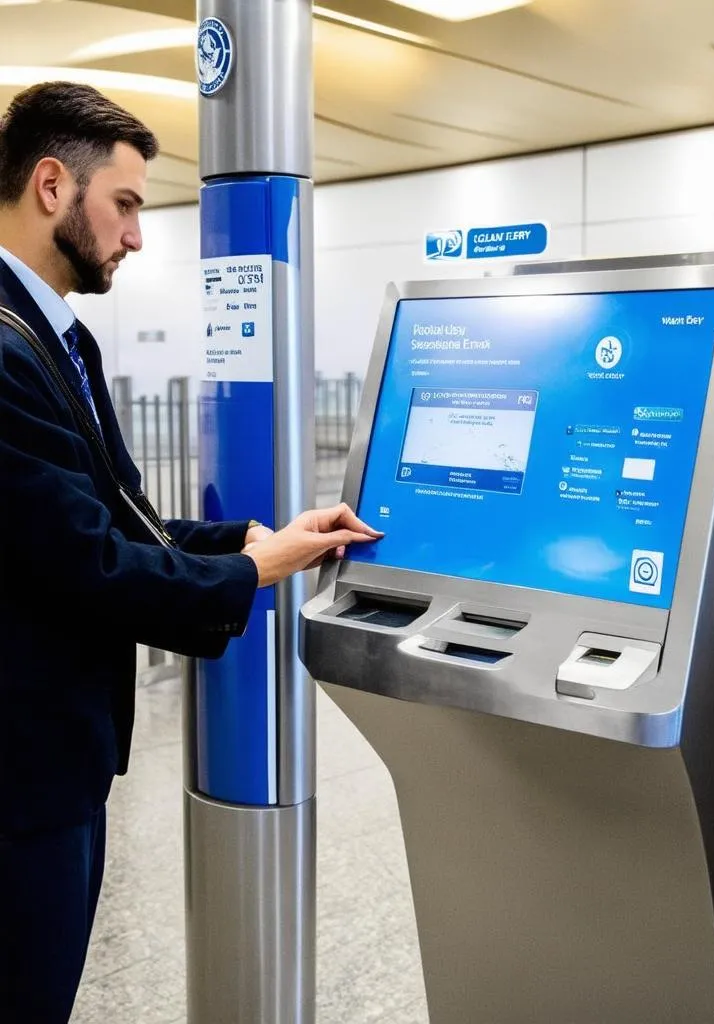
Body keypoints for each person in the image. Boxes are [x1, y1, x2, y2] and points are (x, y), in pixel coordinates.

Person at [0, 82, 382, 1022]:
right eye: (125, 204)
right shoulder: (6, 352)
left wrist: (248, 536)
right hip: (19, 779)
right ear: (53, 185)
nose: (136, 234)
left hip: (55, 764)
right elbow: (90, 566)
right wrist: (260, 571)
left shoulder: (52, 337)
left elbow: (111, 513)